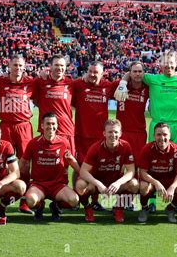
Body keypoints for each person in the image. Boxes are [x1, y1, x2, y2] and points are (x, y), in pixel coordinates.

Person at [72, 61, 118, 210]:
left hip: (100, 136)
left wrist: (125, 77)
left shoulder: (108, 86)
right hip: (81, 134)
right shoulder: (78, 85)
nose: (92, 75)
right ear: (86, 71)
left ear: (102, 74)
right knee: (79, 166)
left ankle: (95, 200)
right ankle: (76, 198)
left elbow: (127, 77)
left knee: (97, 168)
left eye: (96, 72)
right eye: (90, 71)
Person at [0, 54, 34, 214]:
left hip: (24, 127)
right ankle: (0, 197)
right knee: (1, 162)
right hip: (6, 127)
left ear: (24, 67)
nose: (18, 68)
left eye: (20, 66)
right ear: (9, 66)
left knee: (25, 165)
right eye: (15, 65)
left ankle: (23, 202)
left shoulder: (31, 83)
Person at [20, 113, 80, 222]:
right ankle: (39, 207)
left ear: (57, 126)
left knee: (74, 200)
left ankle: (56, 206)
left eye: (53, 124)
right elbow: (24, 163)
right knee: (30, 200)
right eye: (48, 124)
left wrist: (72, 160)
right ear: (42, 125)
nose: (51, 127)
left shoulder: (64, 142)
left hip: (58, 185)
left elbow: (73, 164)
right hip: (39, 184)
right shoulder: (33, 143)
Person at [76, 119, 139, 223]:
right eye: (110, 132)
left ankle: (118, 209)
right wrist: (98, 184)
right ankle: (88, 208)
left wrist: (118, 183)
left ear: (121, 133)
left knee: (135, 184)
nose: (113, 135)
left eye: (116, 132)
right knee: (80, 185)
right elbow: (83, 171)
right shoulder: (95, 148)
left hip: (115, 184)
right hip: (97, 185)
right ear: (104, 133)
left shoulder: (126, 146)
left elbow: (131, 171)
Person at [137, 123, 177, 223]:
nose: (162, 138)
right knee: (143, 186)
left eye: (165, 134)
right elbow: (142, 172)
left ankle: (170, 208)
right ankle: (144, 208)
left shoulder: (176, 150)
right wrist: (156, 182)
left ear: (170, 135)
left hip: (170, 181)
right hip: (152, 181)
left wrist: (173, 187)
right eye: (159, 134)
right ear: (154, 136)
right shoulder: (147, 149)